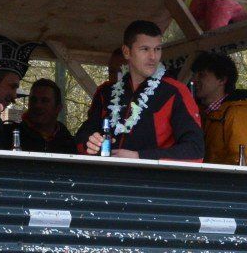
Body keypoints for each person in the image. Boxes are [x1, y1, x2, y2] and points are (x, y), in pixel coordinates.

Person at [76, 21, 204, 161]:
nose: (153, 57)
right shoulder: (106, 92)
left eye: (157, 49)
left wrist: (139, 157)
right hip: (106, 173)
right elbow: (82, 136)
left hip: (151, 175)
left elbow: (195, 150)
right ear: (127, 52)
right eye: (145, 49)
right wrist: (90, 142)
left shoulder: (175, 92)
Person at [192, 51, 247, 166]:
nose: (193, 80)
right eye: (194, 75)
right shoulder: (203, 113)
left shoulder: (239, 114)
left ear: (222, 80)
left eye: (201, 75)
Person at [7, 78, 77, 153]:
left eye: (45, 101)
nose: (38, 105)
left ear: (58, 108)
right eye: (33, 100)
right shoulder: (9, 135)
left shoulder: (68, 142)